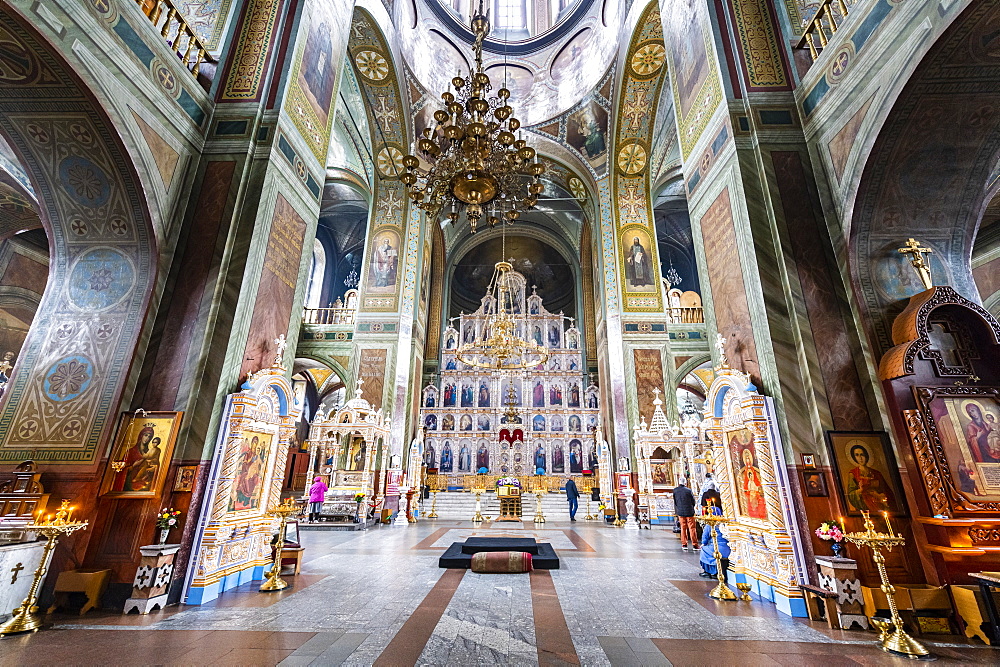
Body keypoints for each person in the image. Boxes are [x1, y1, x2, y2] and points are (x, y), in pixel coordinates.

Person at [699, 506, 730, 579]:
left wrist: (703, 544)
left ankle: (708, 571)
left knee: (704, 550)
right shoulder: (725, 522)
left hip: (716, 547)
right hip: (728, 547)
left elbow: (705, 537)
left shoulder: (710, 523)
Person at [672, 478, 697, 551]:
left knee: (683, 528)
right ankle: (694, 545)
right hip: (689, 511)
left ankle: (684, 544)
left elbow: (675, 501)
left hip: (680, 512)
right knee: (692, 528)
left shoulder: (675, 490)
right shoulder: (688, 491)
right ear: (685, 483)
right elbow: (693, 501)